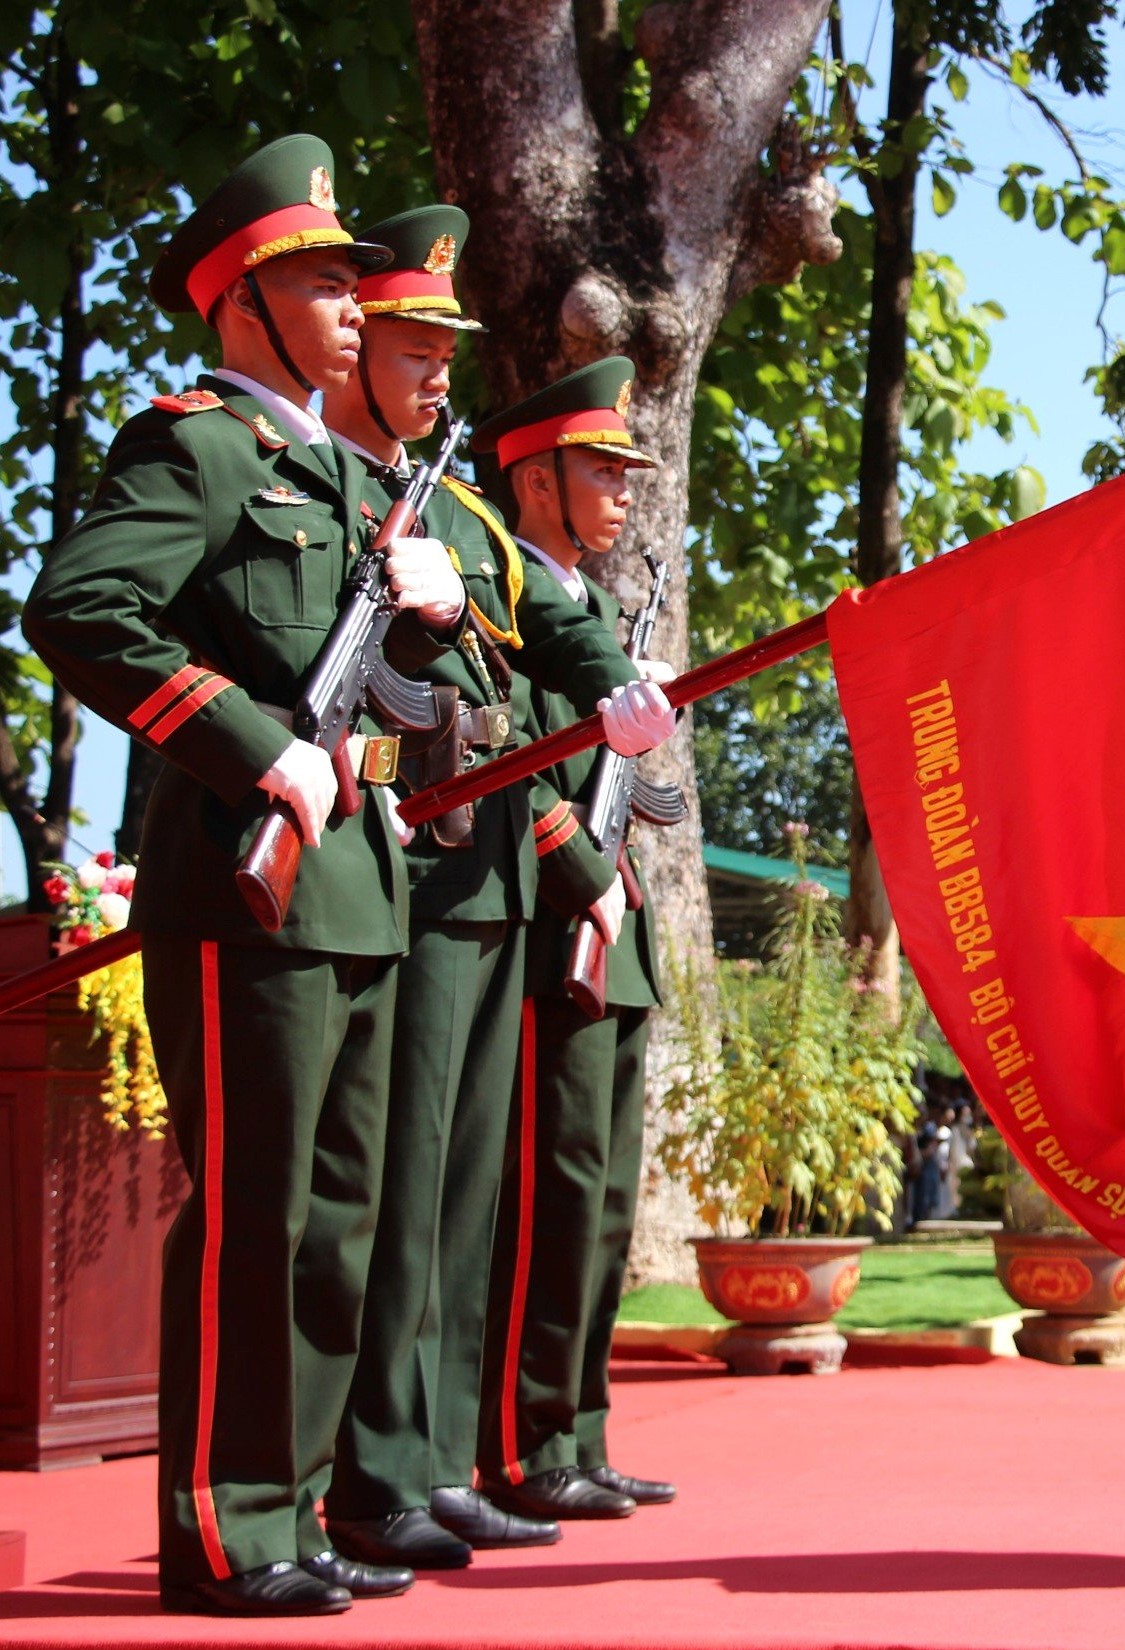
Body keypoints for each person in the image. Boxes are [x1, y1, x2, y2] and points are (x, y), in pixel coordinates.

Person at [23, 135, 465, 1616]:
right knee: (261, 1215)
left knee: (338, 1221)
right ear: (241, 306)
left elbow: (379, 725)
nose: (352, 307)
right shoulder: (197, 444)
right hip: (243, 886)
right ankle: (223, 1527)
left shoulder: (348, 479)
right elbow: (80, 611)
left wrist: (423, 640)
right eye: (320, 283)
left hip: (352, 891)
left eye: (350, 282)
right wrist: (252, 748)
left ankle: (296, 1504)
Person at [316, 211, 674, 1570]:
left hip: (474, 889)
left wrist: (621, 696)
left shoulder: (462, 522)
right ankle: (398, 1464)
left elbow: (553, 660)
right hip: (425, 879)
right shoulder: (355, 488)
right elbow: (499, 738)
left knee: (459, 1199)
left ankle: (433, 1459)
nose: (435, 376)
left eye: (438, 352)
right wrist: (578, 866)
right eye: (411, 348)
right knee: (403, 1198)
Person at [473, 359, 681, 1516]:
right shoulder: (507, 611)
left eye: (624, 470)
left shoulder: (597, 617)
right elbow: (506, 767)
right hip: (555, 928)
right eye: (599, 470)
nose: (620, 491)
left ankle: (578, 1432)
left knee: (600, 1204)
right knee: (546, 1197)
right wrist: (584, 876)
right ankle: (520, 1445)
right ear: (535, 482)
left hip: (612, 928)